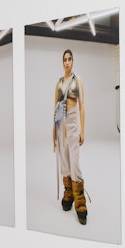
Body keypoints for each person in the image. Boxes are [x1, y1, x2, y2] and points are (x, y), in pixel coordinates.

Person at [53, 49, 87, 224]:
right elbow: (55, 107)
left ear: (73, 61)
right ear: (62, 62)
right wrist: (54, 132)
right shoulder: (59, 83)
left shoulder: (77, 80)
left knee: (75, 162)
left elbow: (82, 106)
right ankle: (68, 193)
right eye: (64, 60)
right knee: (65, 162)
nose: (67, 62)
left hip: (73, 123)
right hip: (60, 124)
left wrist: (82, 130)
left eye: (69, 59)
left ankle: (80, 201)